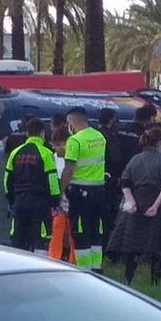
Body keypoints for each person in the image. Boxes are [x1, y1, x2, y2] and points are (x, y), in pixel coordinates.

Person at [107, 128, 161, 286]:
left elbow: (124, 182)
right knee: (157, 247)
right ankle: (155, 283)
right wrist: (156, 206)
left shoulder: (135, 160)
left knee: (131, 246)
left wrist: (132, 202)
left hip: (135, 210)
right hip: (156, 208)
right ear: (159, 143)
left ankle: (128, 280)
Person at [4, 118, 60, 256]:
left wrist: (12, 200)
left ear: (27, 133)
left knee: (17, 238)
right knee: (41, 238)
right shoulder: (46, 153)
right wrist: (54, 201)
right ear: (42, 133)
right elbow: (52, 179)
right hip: (40, 203)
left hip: (19, 202)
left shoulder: (15, 152)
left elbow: (7, 180)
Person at [60, 106, 107, 272]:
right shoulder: (100, 137)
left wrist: (60, 191)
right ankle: (97, 268)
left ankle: (84, 270)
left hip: (80, 192)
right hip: (99, 190)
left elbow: (68, 169)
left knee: (80, 231)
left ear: (72, 122)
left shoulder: (75, 140)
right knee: (96, 231)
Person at [97, 108, 124, 254]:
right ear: (111, 120)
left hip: (93, 182)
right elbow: (116, 159)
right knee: (110, 217)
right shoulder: (110, 137)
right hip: (110, 182)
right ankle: (110, 249)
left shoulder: (94, 135)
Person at [48, 126, 76, 263]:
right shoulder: (54, 157)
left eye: (58, 145)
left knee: (73, 231)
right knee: (56, 228)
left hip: (72, 194)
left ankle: (73, 261)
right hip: (59, 196)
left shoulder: (74, 154)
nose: (55, 149)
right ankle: (54, 258)